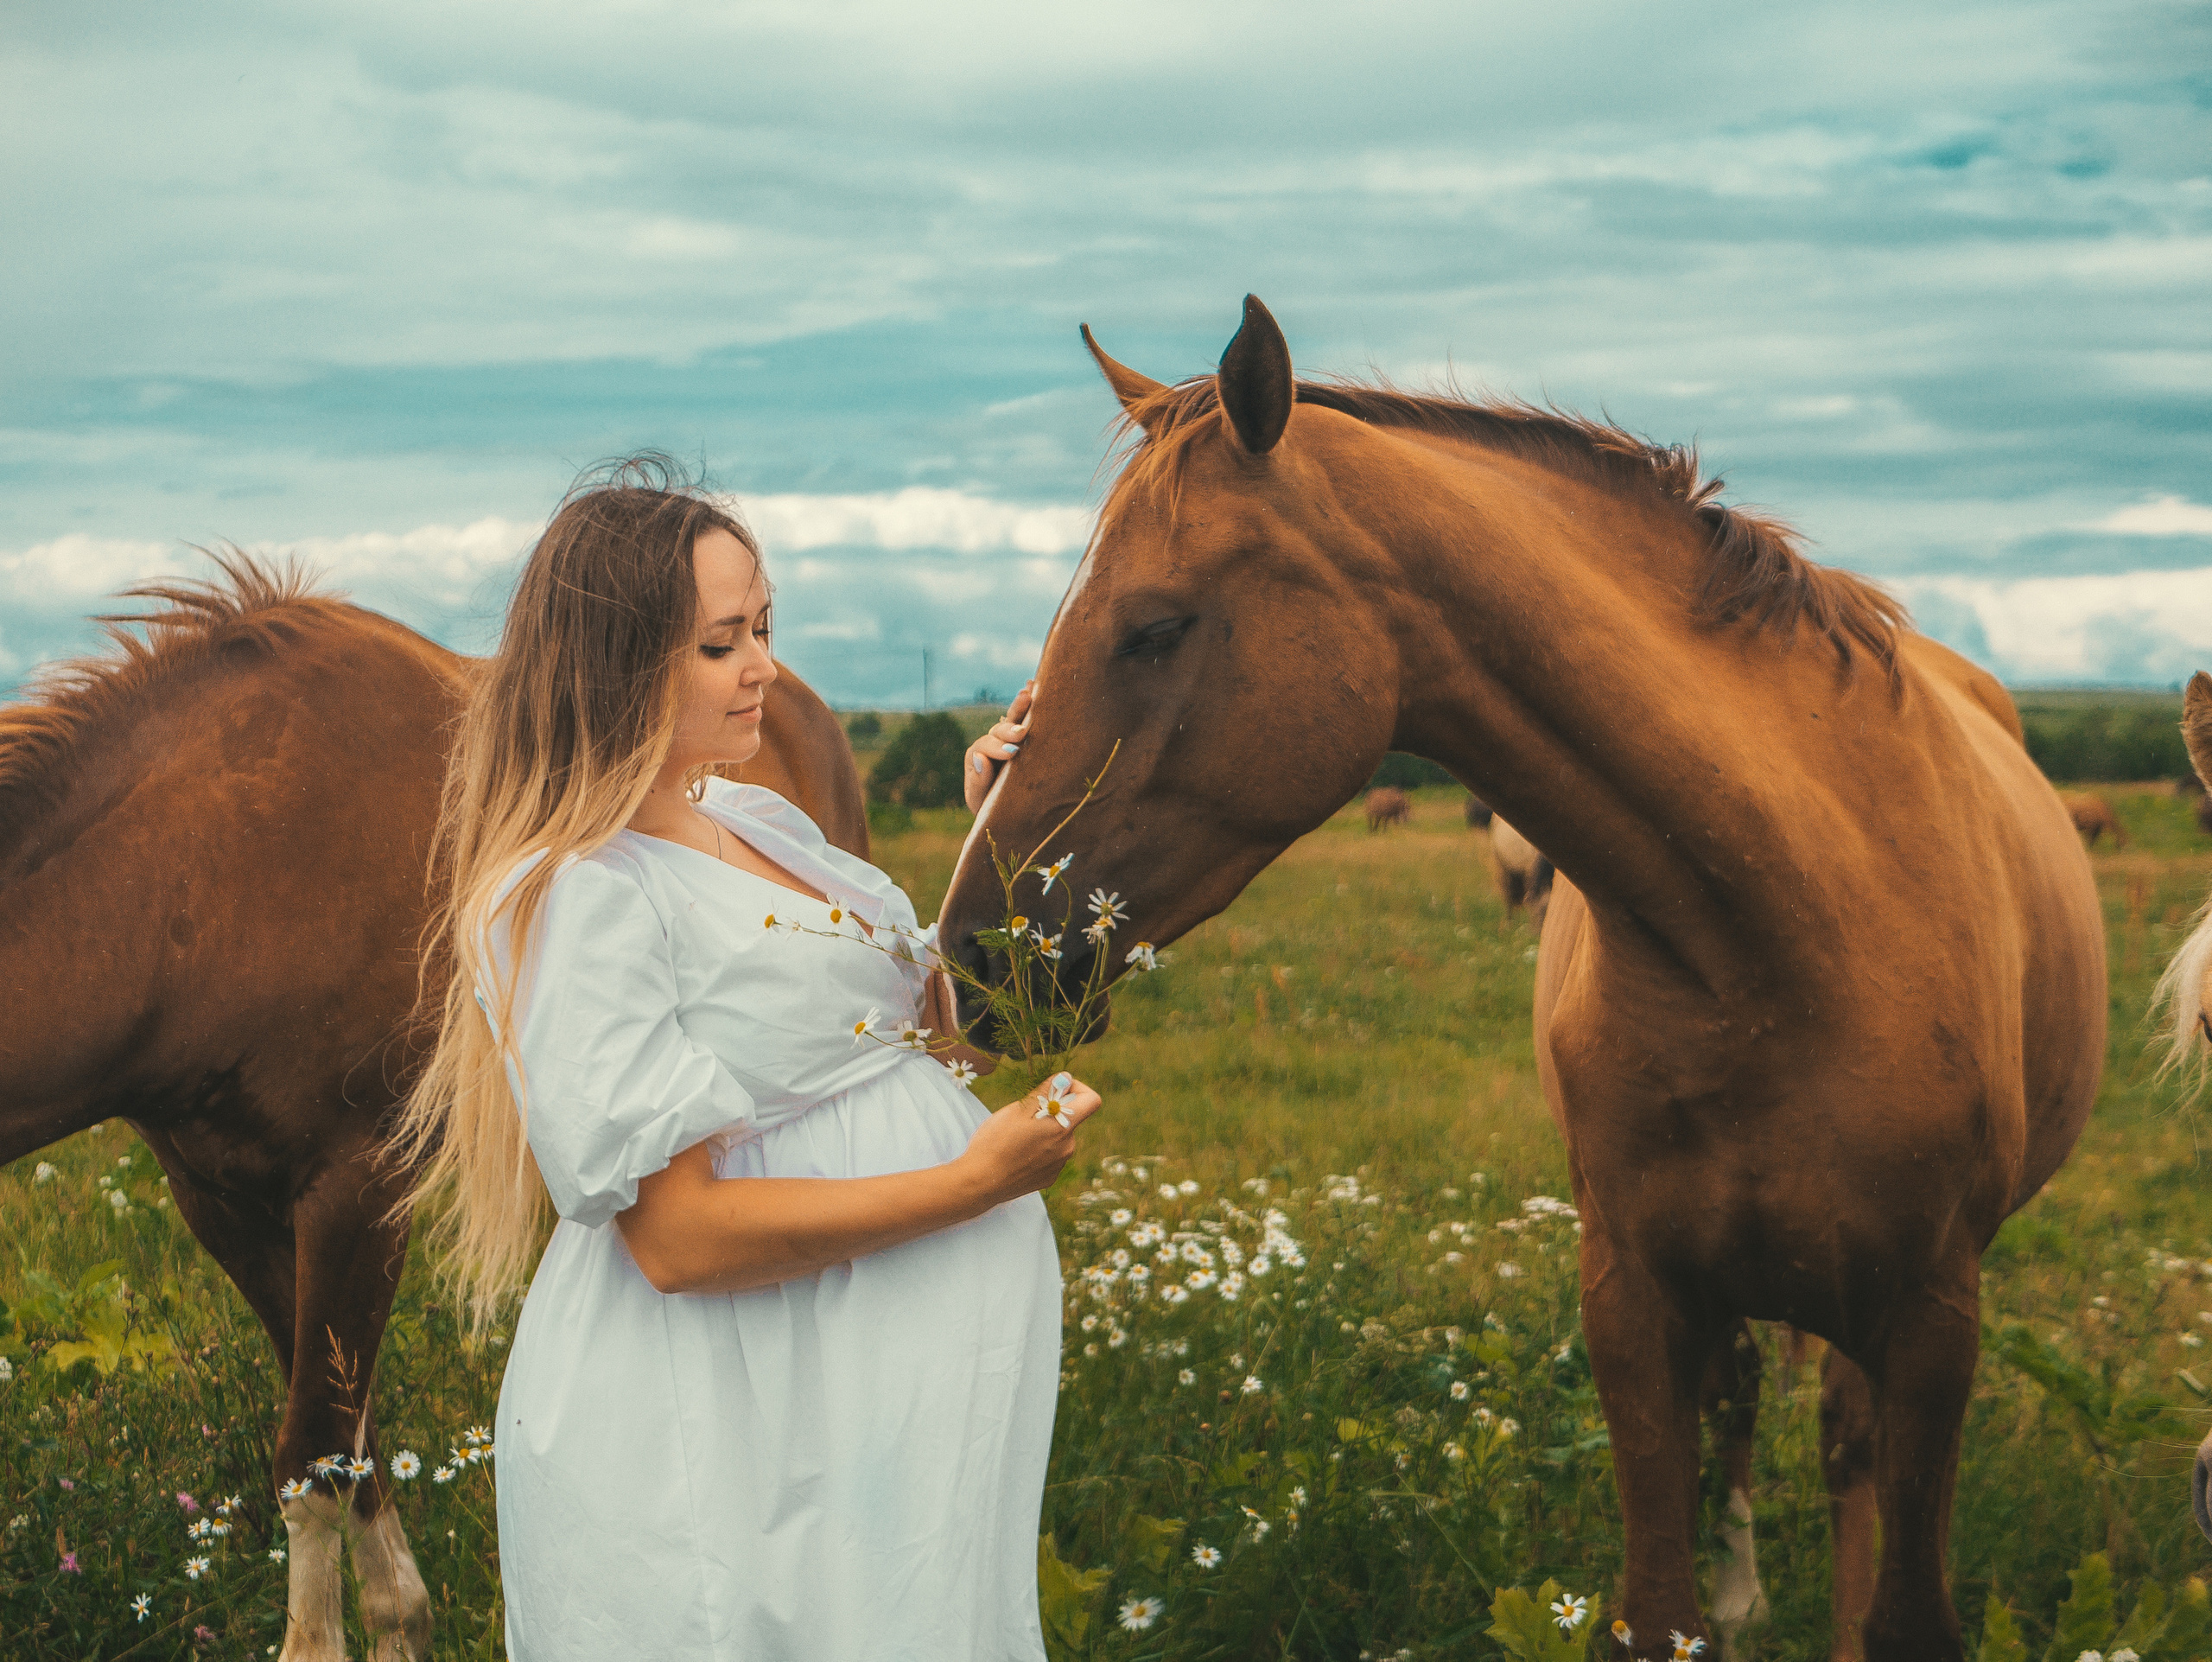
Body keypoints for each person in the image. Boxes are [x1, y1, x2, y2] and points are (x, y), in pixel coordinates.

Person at [392, 457, 1101, 1660]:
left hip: (855, 1399)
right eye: (724, 642)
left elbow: (891, 1038)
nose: (765, 665)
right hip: (741, 1423)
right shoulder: (582, 897)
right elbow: (675, 1242)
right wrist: (974, 1185)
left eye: (764, 627)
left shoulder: (753, 820)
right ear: (619, 662)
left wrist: (994, 821)